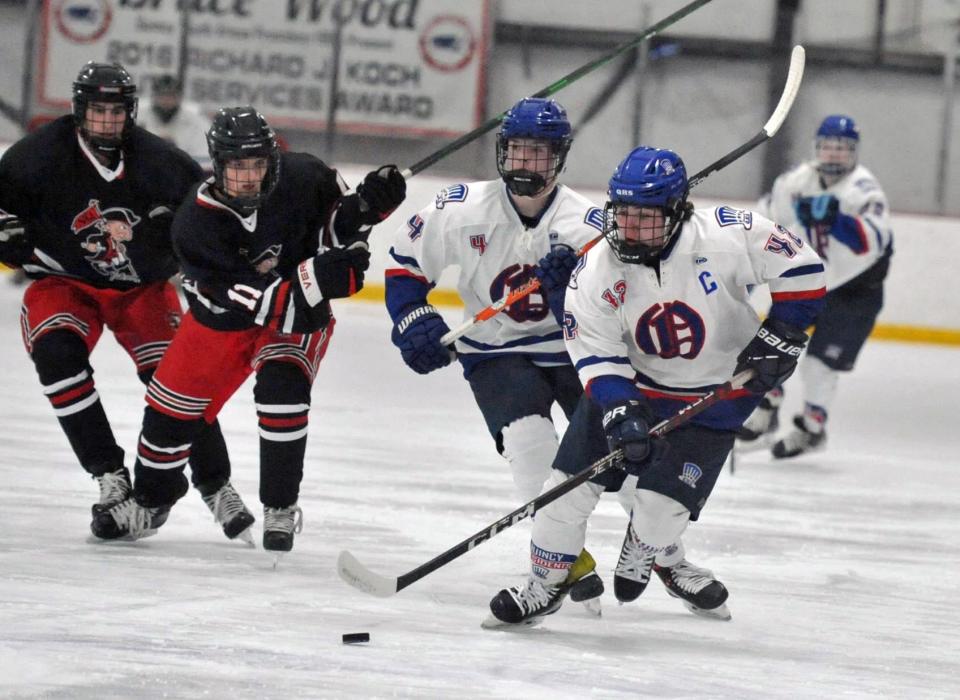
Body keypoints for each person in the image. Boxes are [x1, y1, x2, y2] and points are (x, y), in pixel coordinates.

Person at [484, 145, 826, 628]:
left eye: (645, 219)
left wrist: (784, 333)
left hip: (719, 396)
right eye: (622, 214)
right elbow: (595, 352)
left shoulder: (729, 233)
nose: (629, 229)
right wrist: (620, 411)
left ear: (676, 213)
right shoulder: (596, 268)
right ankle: (545, 584)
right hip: (639, 389)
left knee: (660, 515)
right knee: (561, 495)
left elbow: (805, 271)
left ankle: (649, 547)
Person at [91, 106, 406, 555]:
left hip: (291, 318)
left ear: (272, 160)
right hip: (224, 321)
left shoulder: (306, 177)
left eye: (256, 164)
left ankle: (280, 506)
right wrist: (320, 275)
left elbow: (338, 236)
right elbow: (261, 301)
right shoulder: (195, 225)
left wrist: (364, 208)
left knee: (283, 385)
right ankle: (153, 500)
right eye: (237, 167)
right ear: (217, 166)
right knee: (165, 422)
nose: (248, 177)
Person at [0, 62, 254, 541]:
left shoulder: (163, 164)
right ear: (79, 111)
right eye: (97, 111)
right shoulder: (37, 155)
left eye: (116, 112)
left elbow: (208, 215)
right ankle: (110, 475)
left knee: (176, 383)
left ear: (130, 113)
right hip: (64, 283)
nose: (107, 123)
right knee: (57, 357)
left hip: (141, 289)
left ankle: (215, 484)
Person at [385, 97, 611, 606]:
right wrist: (413, 319)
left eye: (539, 154)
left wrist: (566, 287)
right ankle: (565, 562)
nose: (525, 164)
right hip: (495, 349)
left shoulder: (588, 223)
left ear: (559, 158)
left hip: (575, 351)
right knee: (529, 445)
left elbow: (614, 303)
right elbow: (403, 264)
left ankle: (666, 554)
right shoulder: (460, 208)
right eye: (518, 152)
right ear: (501, 152)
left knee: (624, 461)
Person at [739, 115, 893, 458]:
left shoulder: (864, 190)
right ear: (816, 148)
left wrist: (835, 221)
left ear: (853, 152)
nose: (834, 153)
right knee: (773, 343)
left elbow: (874, 240)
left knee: (818, 365)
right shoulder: (794, 182)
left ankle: (812, 429)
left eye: (842, 148)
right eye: (827, 146)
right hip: (808, 282)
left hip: (855, 292)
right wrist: (744, 275)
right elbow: (759, 228)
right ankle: (766, 411)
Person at [136, 74, 210, 159]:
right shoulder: (138, 118)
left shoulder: (197, 123)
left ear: (180, 97)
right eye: (162, 95)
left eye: (171, 96)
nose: (166, 100)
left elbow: (202, 158)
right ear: (153, 96)